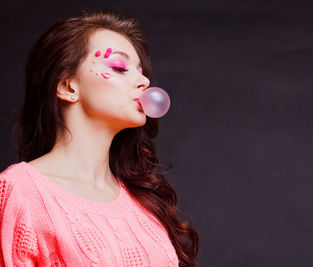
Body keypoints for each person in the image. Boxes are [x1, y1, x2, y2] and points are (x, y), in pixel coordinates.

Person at [0, 9, 198, 266]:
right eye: (119, 67)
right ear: (68, 87)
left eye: (140, 71)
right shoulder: (20, 192)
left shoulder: (142, 201)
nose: (144, 80)